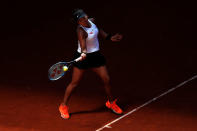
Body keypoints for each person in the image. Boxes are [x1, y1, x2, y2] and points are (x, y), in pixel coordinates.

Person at [59, 9, 123, 119]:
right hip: (83, 58)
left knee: (106, 78)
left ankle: (110, 102)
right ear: (78, 22)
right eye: (81, 18)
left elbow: (99, 30)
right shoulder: (80, 31)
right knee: (74, 83)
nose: (84, 18)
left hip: (96, 56)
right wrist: (84, 53)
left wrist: (109, 37)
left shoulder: (92, 21)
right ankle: (63, 106)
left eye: (84, 16)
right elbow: (83, 45)